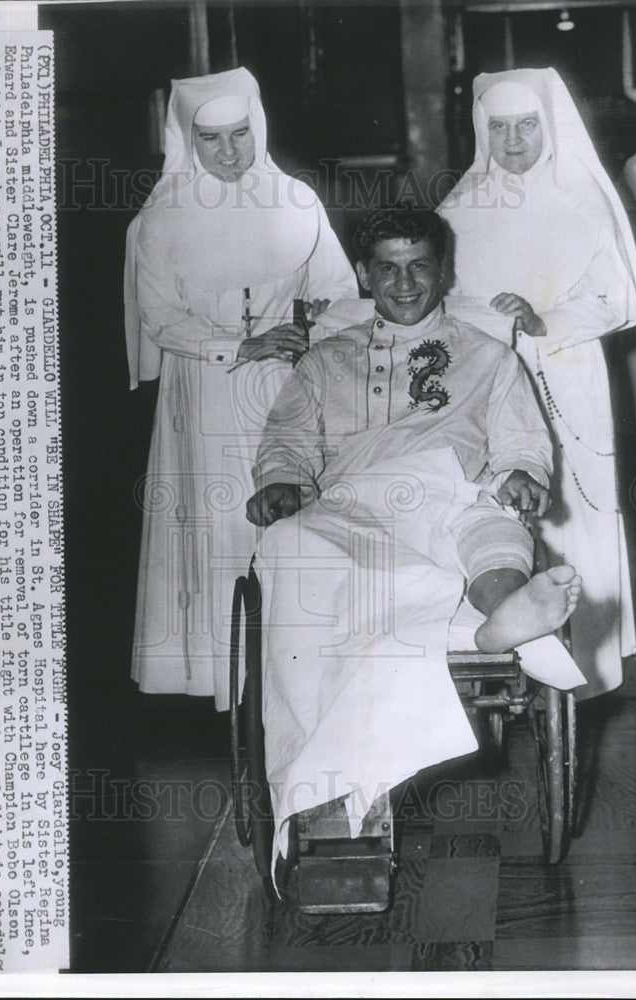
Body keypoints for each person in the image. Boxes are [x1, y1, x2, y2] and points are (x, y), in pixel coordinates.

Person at [246, 206, 584, 865]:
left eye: (420, 266)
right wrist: (282, 482)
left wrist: (519, 474)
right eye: (388, 269)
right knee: (291, 544)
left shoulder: (487, 357)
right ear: (365, 277)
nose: (405, 283)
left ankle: (503, 612)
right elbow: (285, 444)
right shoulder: (322, 362)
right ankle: (479, 635)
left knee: (492, 525)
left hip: (452, 490)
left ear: (444, 272)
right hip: (349, 507)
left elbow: (521, 445)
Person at [124, 68, 357, 708]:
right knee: (220, 524)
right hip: (203, 388)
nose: (228, 154)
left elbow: (338, 292)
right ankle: (229, 681)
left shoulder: (298, 202)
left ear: (258, 129)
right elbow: (160, 317)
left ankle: (296, 672)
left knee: (290, 516)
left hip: (284, 385)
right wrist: (238, 344)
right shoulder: (163, 218)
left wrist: (309, 330)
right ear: (188, 142)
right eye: (211, 140)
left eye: (240, 136)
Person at [438, 68, 636, 699]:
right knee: (501, 507)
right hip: (485, 381)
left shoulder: (584, 197)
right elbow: (437, 298)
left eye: (526, 126)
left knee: (572, 506)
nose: (511, 141)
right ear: (482, 130)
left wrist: (542, 320)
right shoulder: (459, 207)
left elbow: (614, 298)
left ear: (549, 126)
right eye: (498, 128)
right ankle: (509, 655)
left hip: (566, 370)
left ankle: (586, 661)